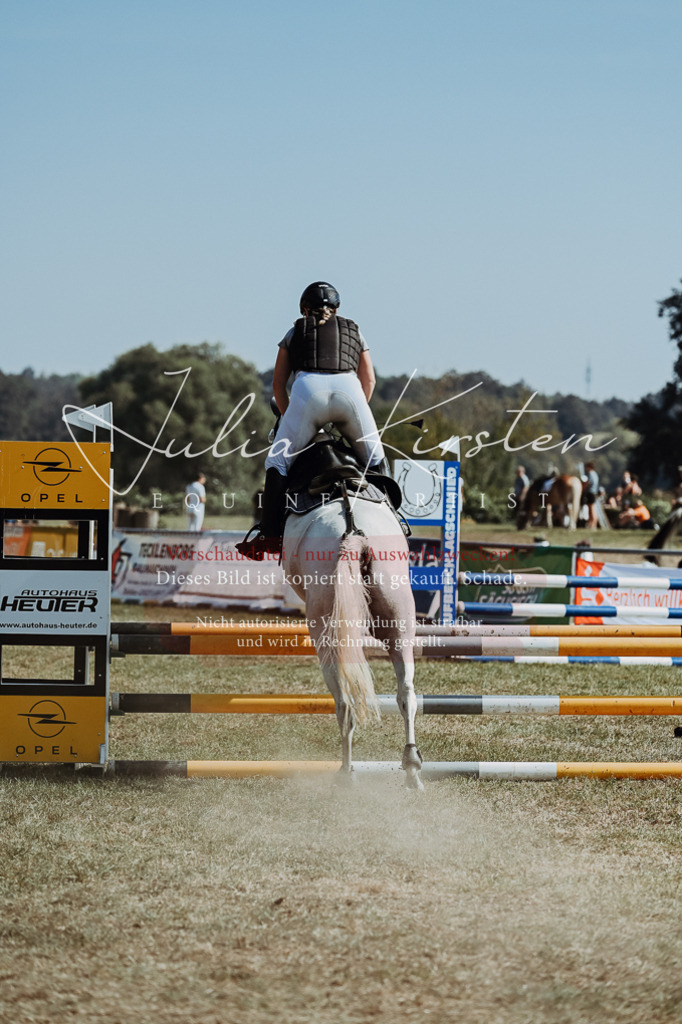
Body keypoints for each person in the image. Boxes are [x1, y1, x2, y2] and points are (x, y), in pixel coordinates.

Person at [238, 282, 387, 559]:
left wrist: (288, 418)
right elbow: (370, 379)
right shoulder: (354, 330)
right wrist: (351, 417)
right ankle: (394, 521)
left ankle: (269, 534)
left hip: (308, 393)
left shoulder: (295, 331)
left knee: (277, 462)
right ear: (336, 309)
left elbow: (278, 384)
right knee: (375, 457)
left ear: (304, 309)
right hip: (350, 392)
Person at [583, 461, 599, 529]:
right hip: (594, 492)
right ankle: (593, 524)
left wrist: (583, 488)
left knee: (591, 509)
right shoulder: (595, 474)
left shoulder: (590, 474)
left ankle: (592, 524)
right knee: (593, 509)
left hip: (590, 493)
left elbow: (588, 482)